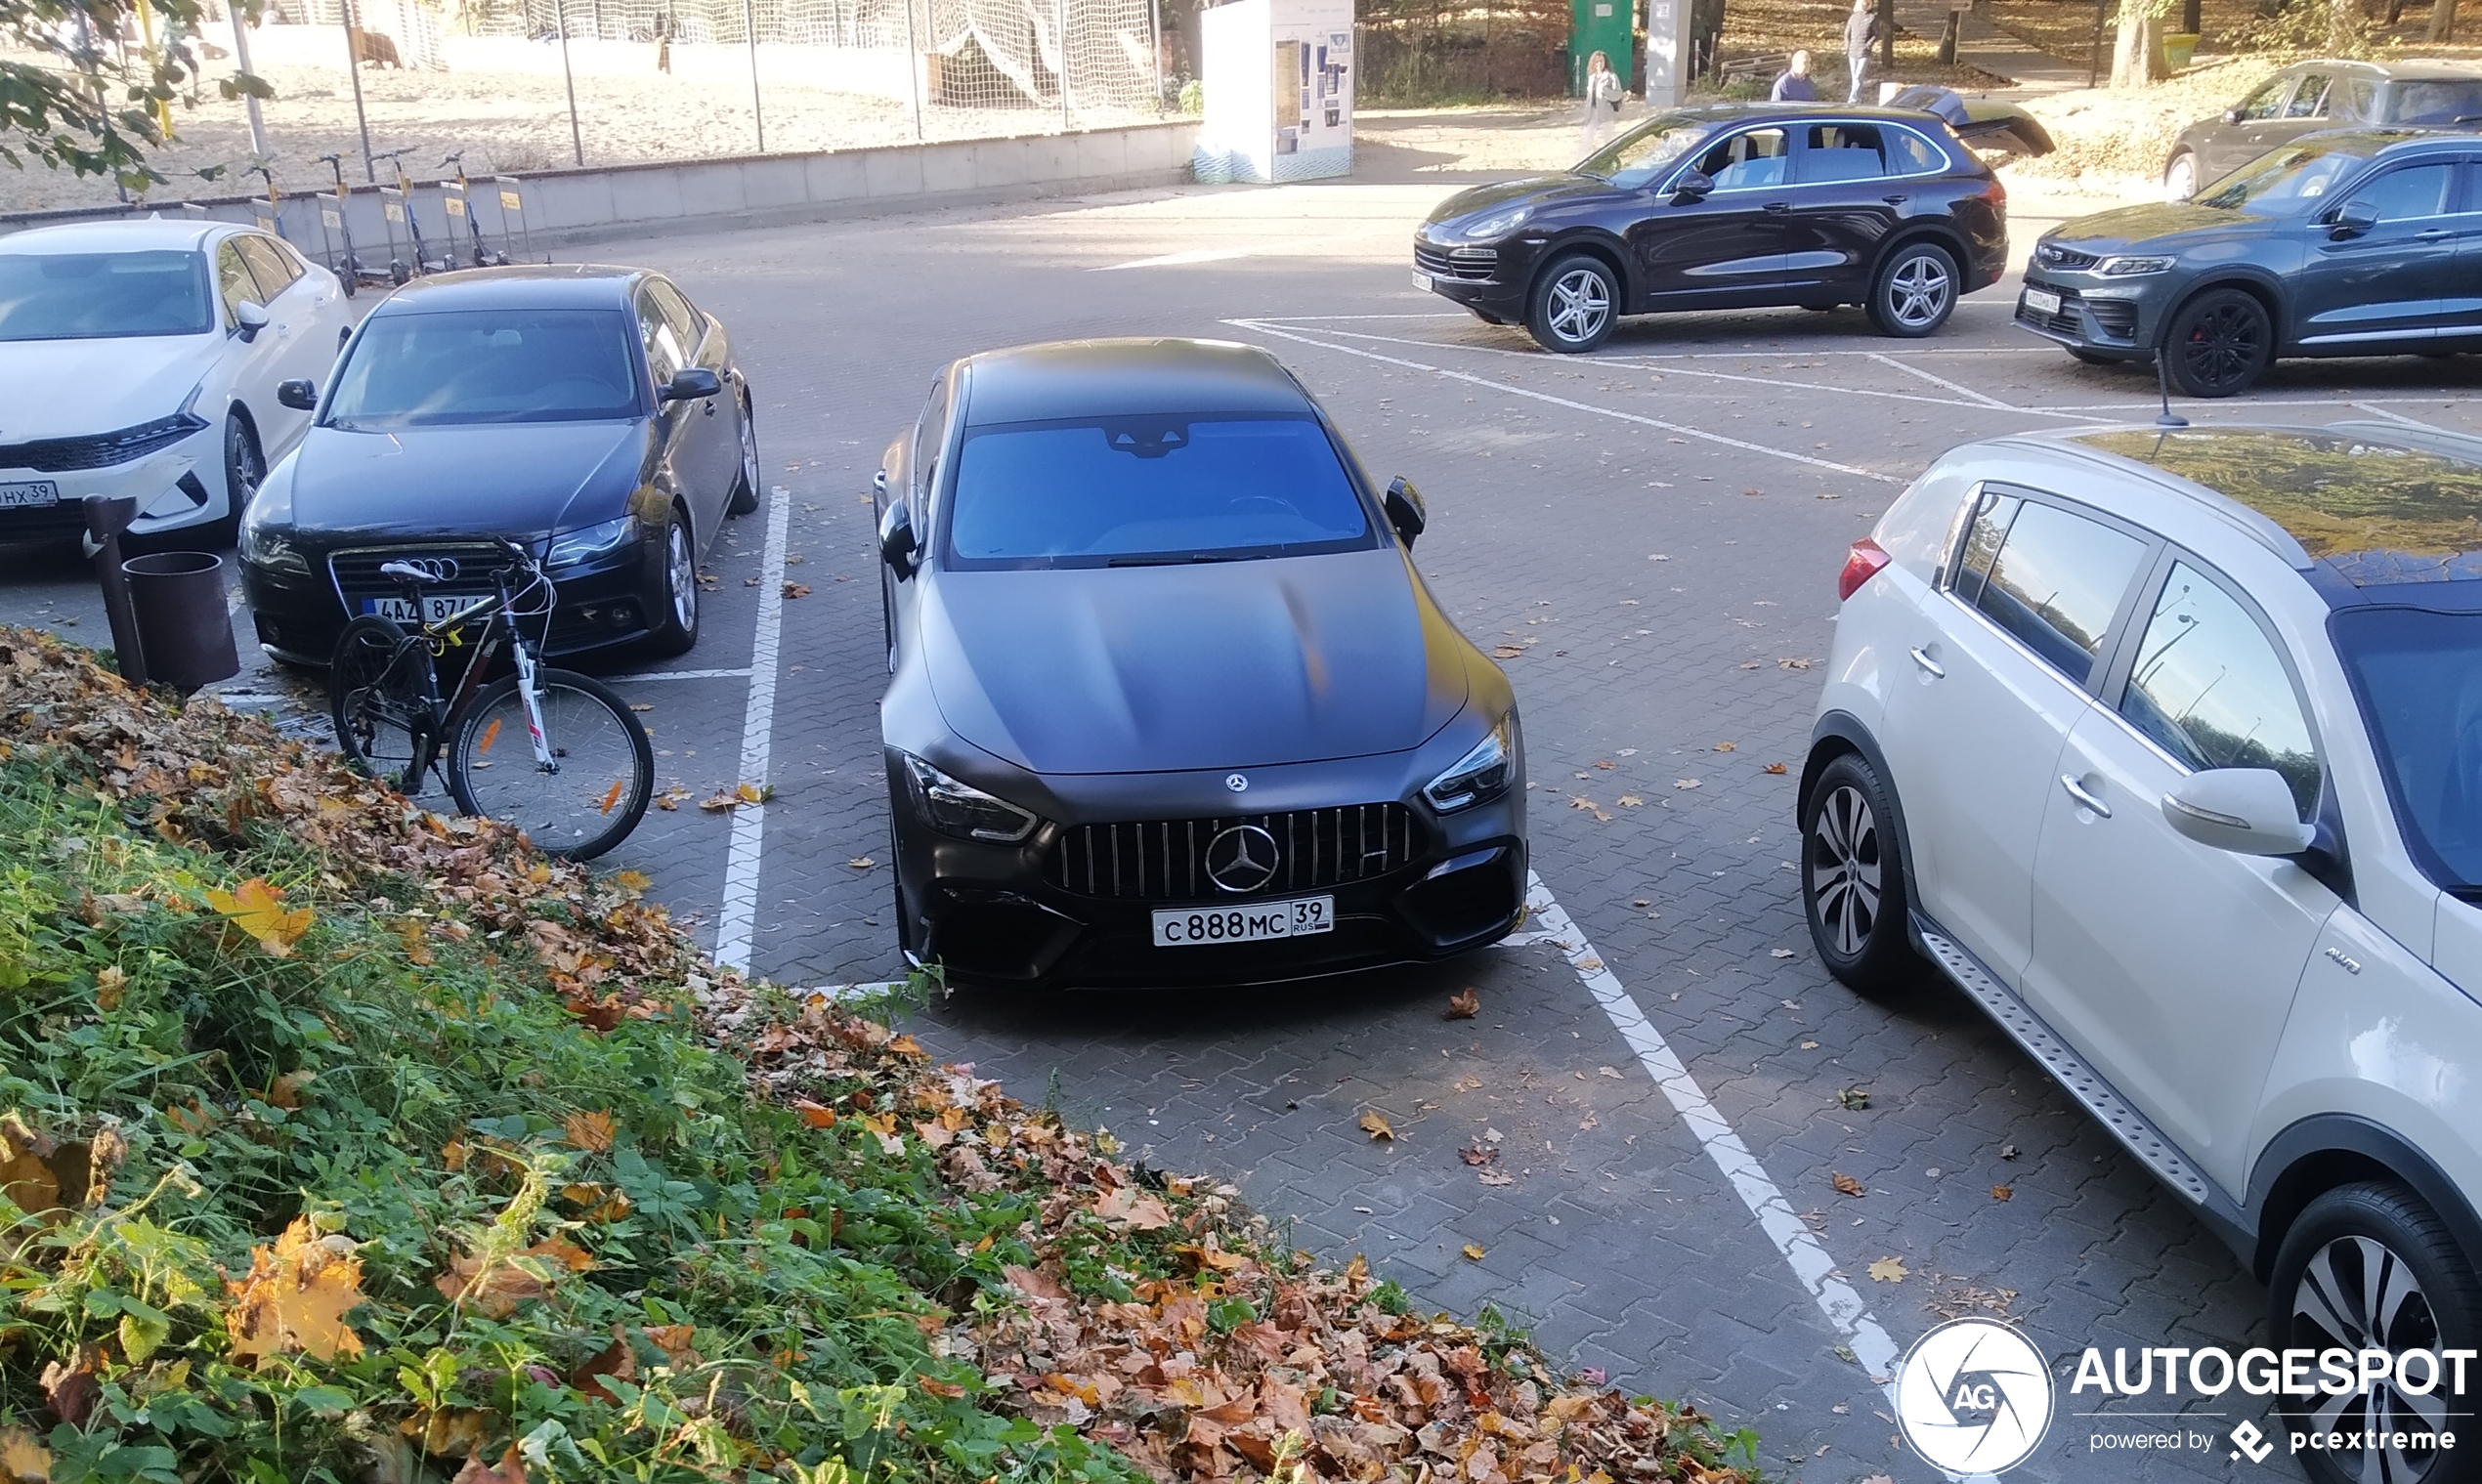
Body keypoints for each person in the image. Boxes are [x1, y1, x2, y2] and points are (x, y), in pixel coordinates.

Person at [1580, 50, 1624, 153]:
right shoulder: (1591, 78)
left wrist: (1605, 91)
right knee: (1587, 137)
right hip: (1592, 112)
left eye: (1601, 61)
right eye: (1597, 62)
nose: (1599, 64)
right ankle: (1582, 159)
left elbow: (1618, 94)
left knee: (1608, 140)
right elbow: (1589, 98)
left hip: (1606, 113)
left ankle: (1610, 159)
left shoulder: (1611, 77)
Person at [1844, 0, 1876, 103]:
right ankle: (1857, 98)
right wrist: (1847, 46)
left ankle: (1852, 99)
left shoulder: (1872, 17)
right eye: (1863, 2)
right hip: (1852, 52)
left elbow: (1876, 34)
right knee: (1855, 78)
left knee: (1858, 76)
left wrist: (1869, 44)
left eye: (1867, 3)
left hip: (1864, 52)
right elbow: (1847, 33)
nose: (1864, 5)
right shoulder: (1853, 17)